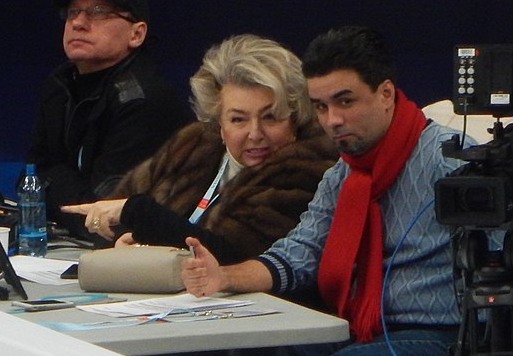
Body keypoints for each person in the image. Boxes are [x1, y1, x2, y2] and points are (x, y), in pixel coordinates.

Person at [180, 26, 513, 356]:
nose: (332, 120)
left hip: (452, 343)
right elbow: (299, 253)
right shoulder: (342, 175)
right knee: (276, 355)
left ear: (386, 94)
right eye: (321, 107)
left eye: (345, 101)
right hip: (372, 333)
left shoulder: (448, 162)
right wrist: (223, 277)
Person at [61, 34, 339, 265]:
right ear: (219, 124)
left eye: (271, 117)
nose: (255, 134)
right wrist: (122, 241)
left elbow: (236, 256)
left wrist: (140, 219)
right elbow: (114, 213)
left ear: (295, 118)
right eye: (238, 119)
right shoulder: (193, 144)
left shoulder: (307, 171)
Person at [26, 0, 191, 239]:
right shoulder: (60, 85)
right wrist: (47, 183)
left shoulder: (143, 99)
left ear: (136, 34)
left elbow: (103, 214)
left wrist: (51, 181)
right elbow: (29, 178)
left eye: (99, 12)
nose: (78, 22)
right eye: (73, 12)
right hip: (73, 241)